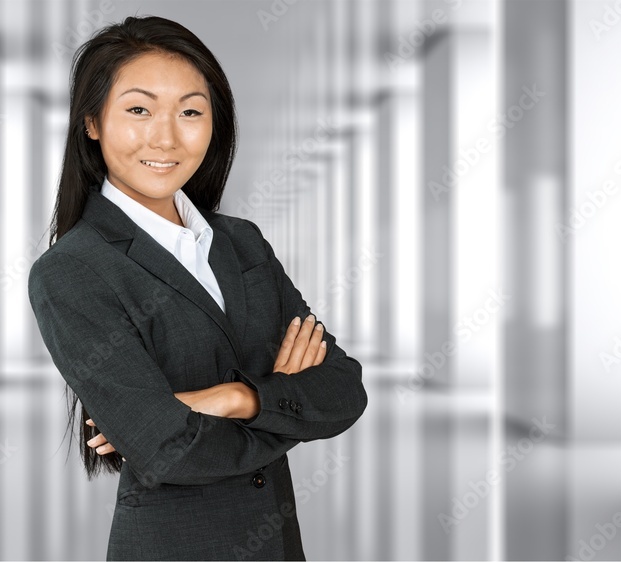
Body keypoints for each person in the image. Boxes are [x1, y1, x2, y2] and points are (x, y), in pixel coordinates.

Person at [27, 15, 367, 561]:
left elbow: (345, 390)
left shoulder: (241, 242)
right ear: (91, 122)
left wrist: (233, 398)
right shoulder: (73, 270)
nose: (166, 137)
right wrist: (283, 400)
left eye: (190, 112)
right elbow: (168, 449)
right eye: (139, 110)